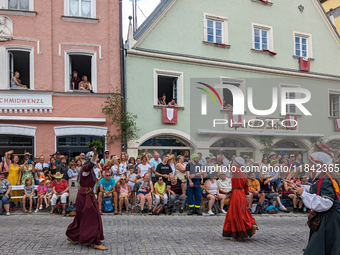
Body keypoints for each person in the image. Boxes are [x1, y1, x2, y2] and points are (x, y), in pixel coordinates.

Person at [290, 152, 340, 255]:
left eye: (310, 163)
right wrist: (299, 188)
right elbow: (316, 190)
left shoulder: (326, 179)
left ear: (317, 165)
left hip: (330, 220)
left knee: (320, 249)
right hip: (326, 218)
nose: (308, 165)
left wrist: (303, 194)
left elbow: (327, 202)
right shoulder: (322, 177)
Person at [66, 148, 107, 250]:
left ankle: (73, 235)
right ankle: (94, 241)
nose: (97, 158)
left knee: (82, 217)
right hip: (84, 195)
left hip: (87, 194)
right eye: (95, 157)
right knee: (92, 217)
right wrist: (95, 152)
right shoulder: (86, 169)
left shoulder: (89, 170)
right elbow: (91, 164)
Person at [222, 157, 257, 241]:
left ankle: (239, 235)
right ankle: (248, 226)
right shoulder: (244, 174)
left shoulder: (237, 172)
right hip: (241, 194)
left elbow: (227, 165)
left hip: (236, 195)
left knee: (236, 214)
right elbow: (246, 189)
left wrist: (222, 156)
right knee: (241, 213)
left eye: (233, 162)